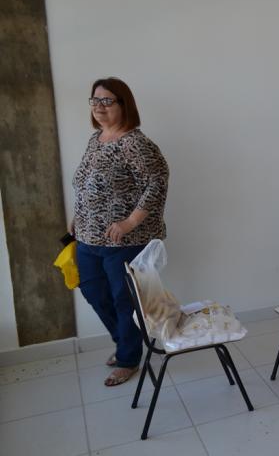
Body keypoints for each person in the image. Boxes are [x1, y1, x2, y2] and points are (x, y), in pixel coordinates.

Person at [71, 77, 169, 386]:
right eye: (95, 101)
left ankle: (128, 358)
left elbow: (158, 182)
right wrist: (76, 216)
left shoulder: (135, 143)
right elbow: (86, 183)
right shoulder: (96, 138)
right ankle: (125, 341)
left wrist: (130, 222)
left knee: (123, 299)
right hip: (87, 235)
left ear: (124, 105)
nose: (99, 107)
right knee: (92, 290)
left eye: (107, 101)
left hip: (123, 240)